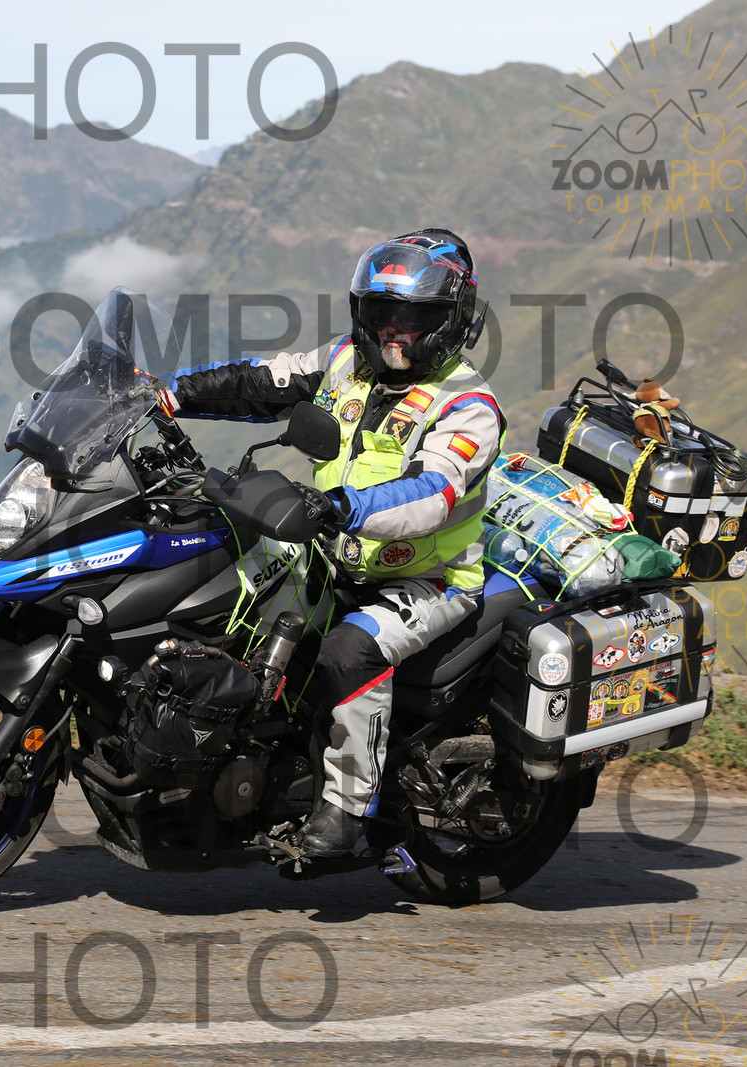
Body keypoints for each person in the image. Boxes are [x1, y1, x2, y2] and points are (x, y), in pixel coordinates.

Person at [168, 228, 505, 856]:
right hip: (330, 553)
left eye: (411, 317)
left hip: (426, 579)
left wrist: (343, 507)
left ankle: (347, 808)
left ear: (452, 319)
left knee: (350, 651)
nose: (392, 331)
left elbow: (432, 493)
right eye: (380, 313)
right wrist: (170, 395)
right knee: (215, 583)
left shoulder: (468, 407)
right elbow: (262, 382)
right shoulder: (346, 360)